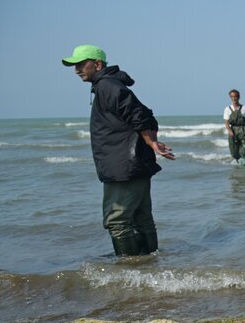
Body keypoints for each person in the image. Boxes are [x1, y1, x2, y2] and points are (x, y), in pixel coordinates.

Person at [62, 44, 174, 256]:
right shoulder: (109, 85)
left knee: (117, 220)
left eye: (80, 64)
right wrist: (151, 142)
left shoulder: (107, 86)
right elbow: (145, 114)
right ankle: (149, 264)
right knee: (142, 218)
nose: (76, 69)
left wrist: (151, 143)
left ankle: (127, 271)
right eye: (74, 65)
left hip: (123, 166)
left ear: (97, 64)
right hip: (132, 163)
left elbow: (139, 114)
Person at [224, 89, 245, 163]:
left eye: (235, 96)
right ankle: (238, 166)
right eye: (232, 97)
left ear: (239, 97)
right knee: (234, 152)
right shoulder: (227, 109)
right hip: (233, 131)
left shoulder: (244, 108)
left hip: (243, 130)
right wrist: (229, 131)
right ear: (230, 97)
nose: (234, 98)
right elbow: (226, 122)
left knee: (244, 149)